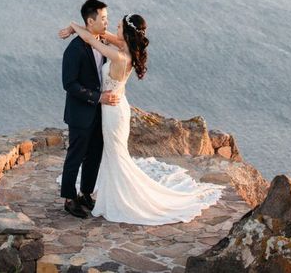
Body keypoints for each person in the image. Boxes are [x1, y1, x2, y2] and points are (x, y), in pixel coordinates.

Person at [59, 12, 224, 225]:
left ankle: (123, 198)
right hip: (117, 108)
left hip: (112, 112)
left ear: (126, 33)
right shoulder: (125, 48)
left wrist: (73, 25)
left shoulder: (119, 55)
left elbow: (91, 39)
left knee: (116, 156)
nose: (114, 29)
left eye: (118, 26)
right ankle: (99, 194)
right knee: (112, 155)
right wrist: (93, 30)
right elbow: (106, 36)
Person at [60, 0, 121, 219]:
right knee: (75, 155)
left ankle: (86, 193)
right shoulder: (74, 49)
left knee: (94, 154)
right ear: (90, 20)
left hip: (100, 113)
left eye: (107, 18)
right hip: (80, 113)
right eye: (103, 19)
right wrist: (97, 98)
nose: (106, 22)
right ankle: (69, 198)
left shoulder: (101, 43)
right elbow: (69, 84)